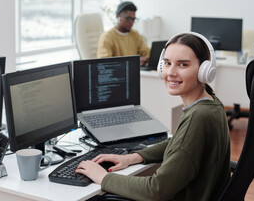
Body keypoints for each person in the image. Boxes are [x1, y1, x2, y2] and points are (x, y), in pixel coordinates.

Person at [75, 32, 231, 201]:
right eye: (167, 63)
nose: (171, 72)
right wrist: (133, 157)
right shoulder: (212, 103)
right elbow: (179, 143)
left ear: (204, 70)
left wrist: (103, 177)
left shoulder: (198, 117)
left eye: (183, 65)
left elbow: (156, 190)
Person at [97, 1, 150, 66]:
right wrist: (134, 62)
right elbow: (104, 63)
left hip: (135, 71)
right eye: (128, 18)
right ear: (118, 16)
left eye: (133, 19)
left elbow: (146, 53)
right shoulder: (107, 37)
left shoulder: (135, 34)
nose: (131, 22)